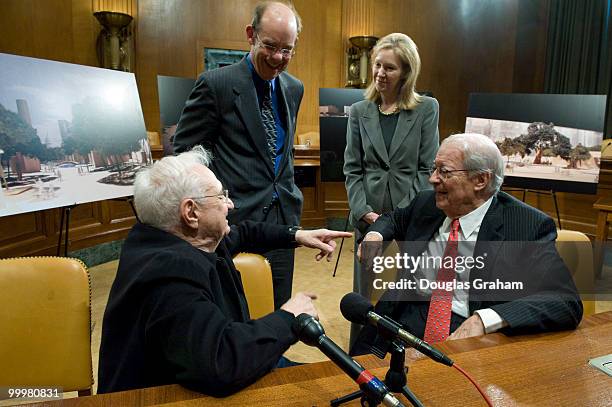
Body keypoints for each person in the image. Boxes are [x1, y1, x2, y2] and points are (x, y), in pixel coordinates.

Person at [97, 146, 351, 396]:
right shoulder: (170, 274)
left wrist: (298, 234)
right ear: (191, 212)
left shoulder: (179, 238)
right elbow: (222, 362)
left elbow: (247, 232)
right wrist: (289, 318)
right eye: (220, 196)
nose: (229, 203)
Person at [351, 133, 583, 355]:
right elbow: (392, 219)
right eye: (434, 169)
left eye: (444, 171)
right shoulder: (426, 203)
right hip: (401, 314)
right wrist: (375, 235)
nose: (432, 179)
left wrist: (486, 319)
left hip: (469, 331)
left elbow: (565, 301)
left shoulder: (526, 226)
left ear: (481, 180)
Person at [173, 1, 303, 309]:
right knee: (237, 312)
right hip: (234, 223)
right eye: (270, 46)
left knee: (277, 307)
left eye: (287, 50)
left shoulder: (294, 88)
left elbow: (281, 156)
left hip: (283, 218)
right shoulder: (216, 85)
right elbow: (187, 156)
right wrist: (212, 205)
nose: (277, 58)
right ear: (251, 35)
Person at [343, 33, 439, 343]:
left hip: (409, 220)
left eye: (390, 68)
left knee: (404, 294)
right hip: (367, 218)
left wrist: (398, 217)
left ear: (407, 73)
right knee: (366, 297)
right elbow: (353, 168)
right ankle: (360, 357)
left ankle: (401, 355)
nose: (380, 74)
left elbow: (427, 169)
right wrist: (364, 212)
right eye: (377, 66)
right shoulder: (359, 111)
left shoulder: (426, 109)